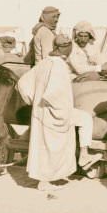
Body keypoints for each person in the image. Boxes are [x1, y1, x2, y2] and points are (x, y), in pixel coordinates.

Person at [16, 33, 77, 194]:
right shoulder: (59, 66)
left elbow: (22, 83)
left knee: (43, 146)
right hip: (53, 113)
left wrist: (33, 100)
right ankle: (45, 181)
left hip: (40, 112)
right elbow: (56, 93)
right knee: (52, 146)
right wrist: (62, 112)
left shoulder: (44, 63)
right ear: (66, 48)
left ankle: (46, 178)